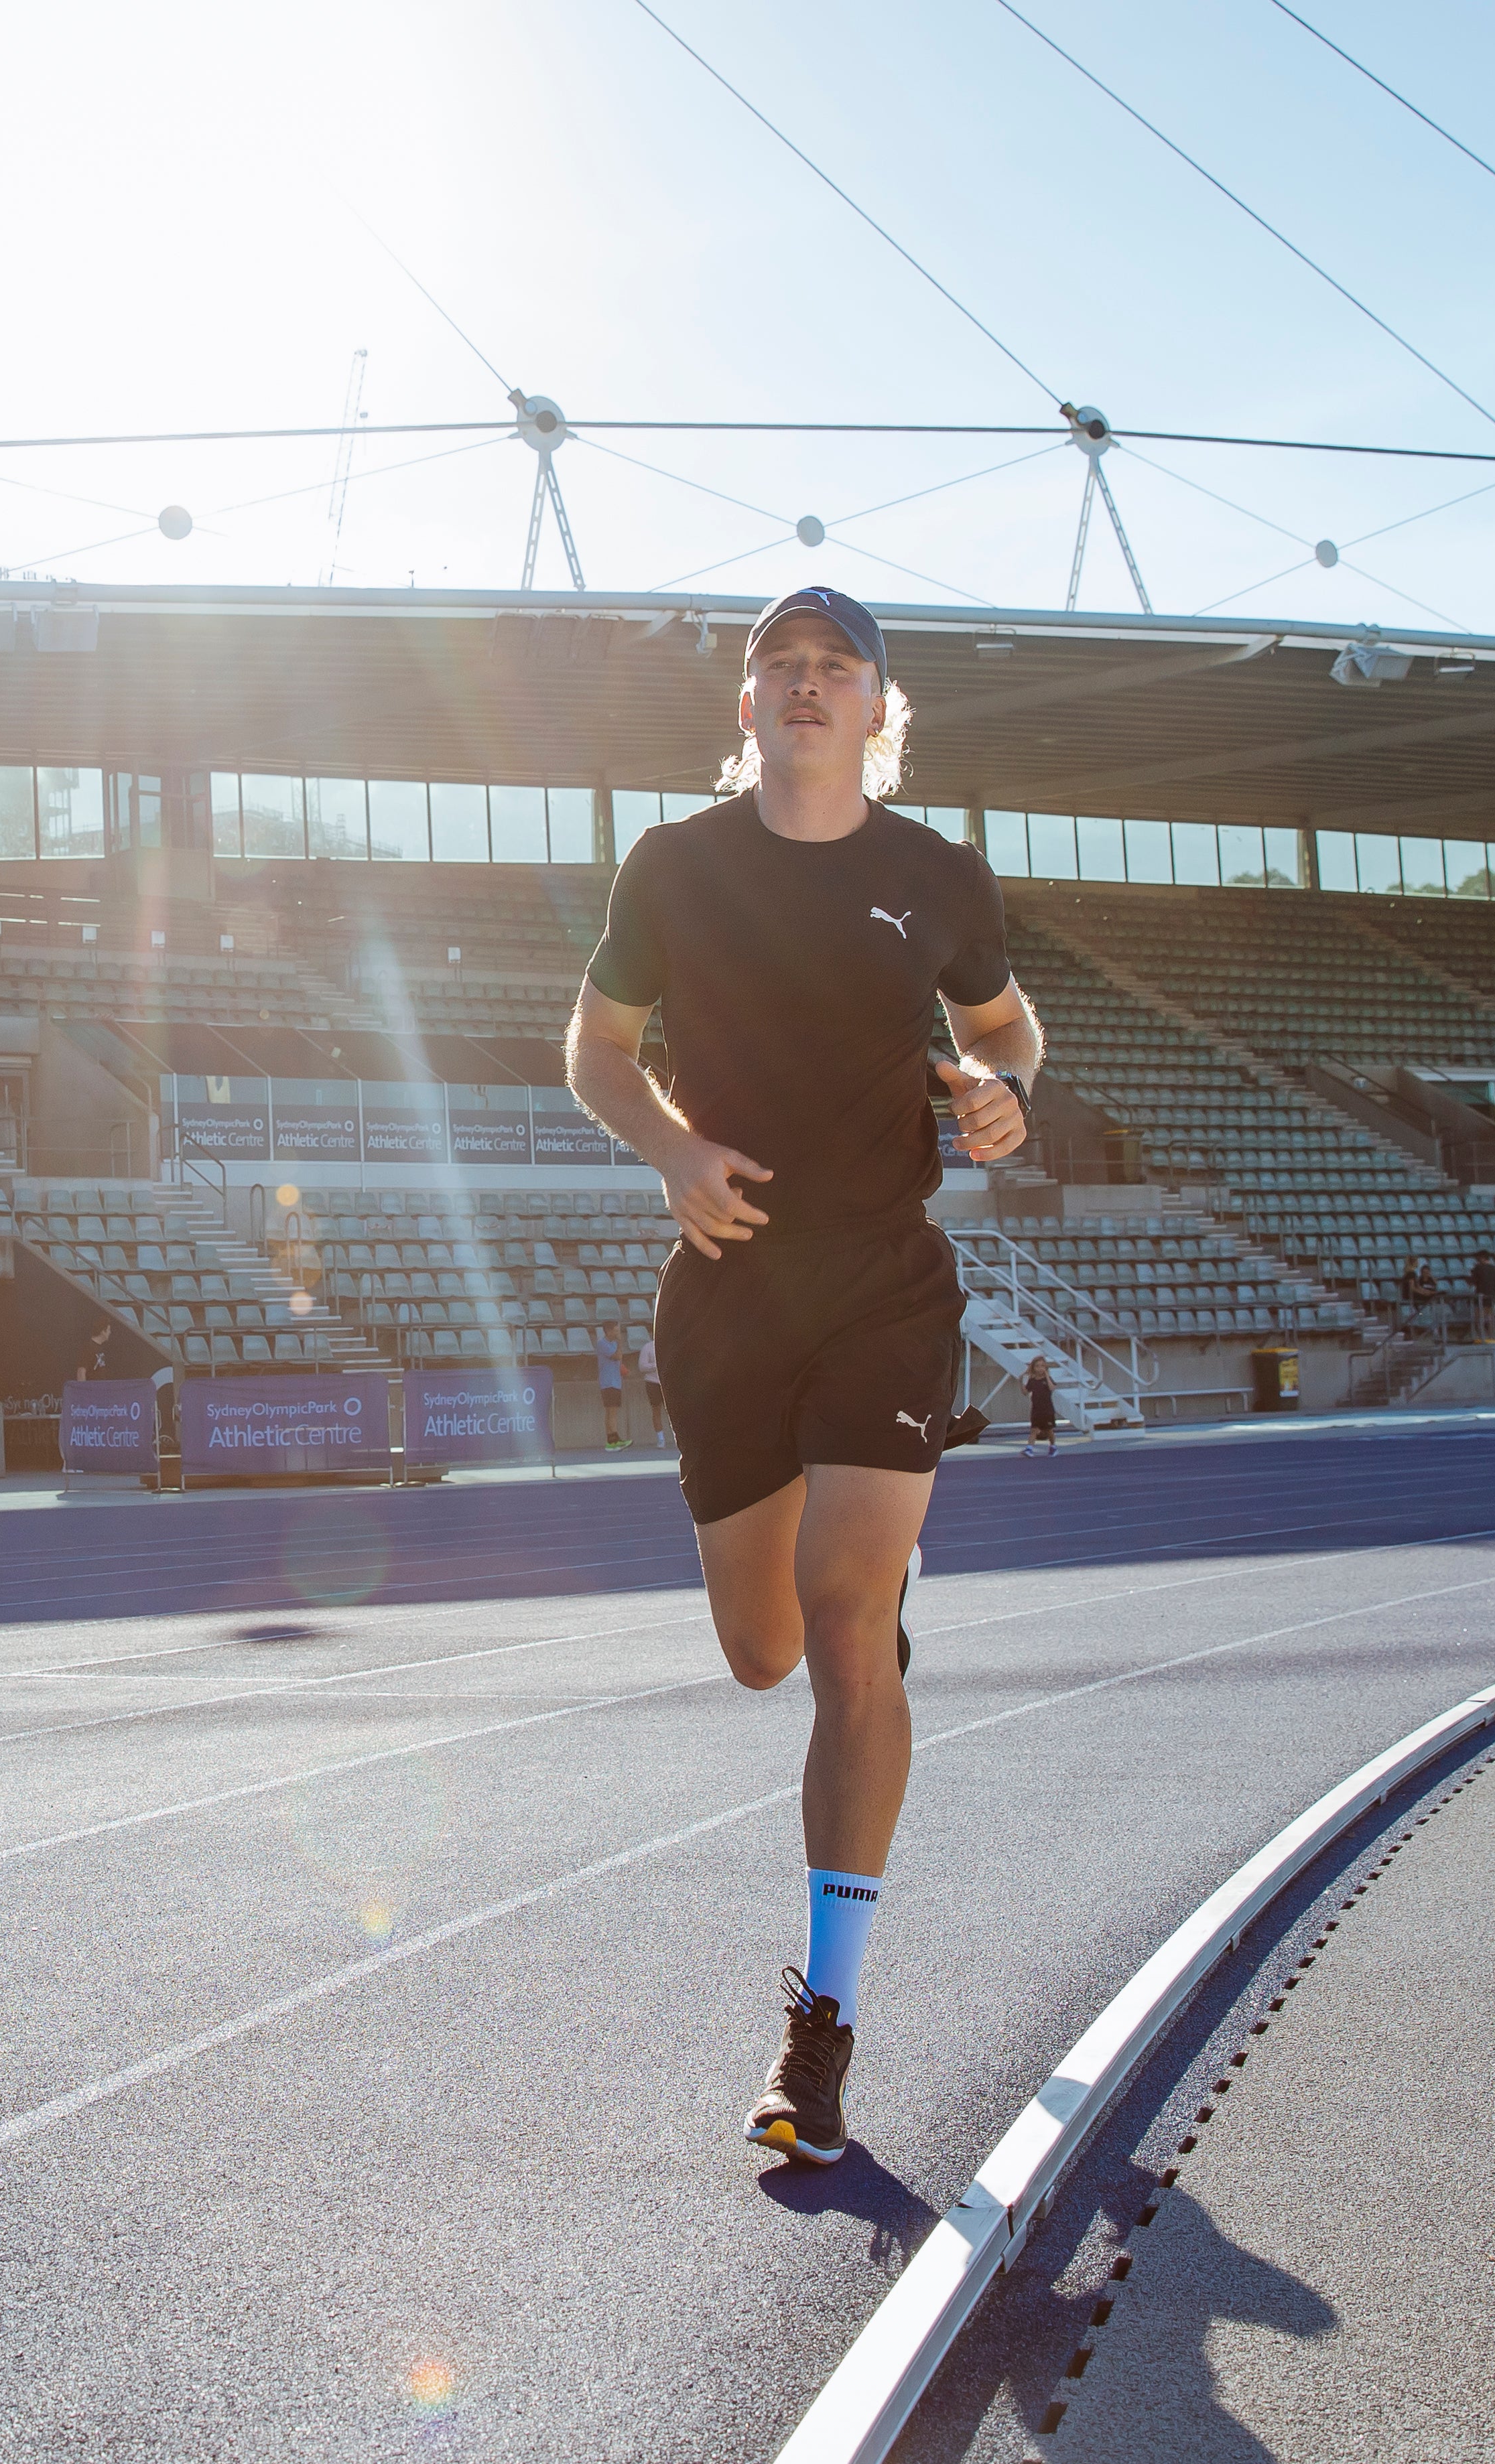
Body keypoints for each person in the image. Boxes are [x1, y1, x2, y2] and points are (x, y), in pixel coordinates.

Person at [566, 584, 1042, 2168]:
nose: (809, 687)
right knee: (762, 1651)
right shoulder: (676, 866)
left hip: (886, 1285)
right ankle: (851, 1591)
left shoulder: (936, 877)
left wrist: (991, 1087)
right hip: (727, 1296)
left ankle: (822, 2030)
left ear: (879, 708)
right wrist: (671, 1145)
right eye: (783, 667)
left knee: (850, 1631)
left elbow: (1009, 1033)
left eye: (839, 668)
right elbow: (594, 1048)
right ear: (752, 704)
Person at [594, 1324, 628, 1448]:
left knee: (611, 1412)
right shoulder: (602, 1344)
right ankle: (614, 1439)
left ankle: (611, 1440)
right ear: (608, 1331)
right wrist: (620, 1342)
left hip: (616, 1381)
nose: (618, 1333)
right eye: (616, 1331)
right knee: (611, 1411)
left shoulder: (613, 1344)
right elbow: (617, 1356)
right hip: (608, 1382)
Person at [637, 1331, 670, 1449]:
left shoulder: (668, 1347)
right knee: (656, 1410)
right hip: (652, 1383)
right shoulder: (648, 1347)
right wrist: (656, 1366)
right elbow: (642, 1366)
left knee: (672, 1411)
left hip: (667, 1383)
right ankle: (661, 1439)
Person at [1025, 1353, 1060, 1455]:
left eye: (1042, 1366)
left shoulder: (1047, 1380)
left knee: (1049, 1430)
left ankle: (1053, 1446)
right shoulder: (1032, 1381)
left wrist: (1047, 1376)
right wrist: (1021, 1381)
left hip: (1047, 1410)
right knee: (1034, 1429)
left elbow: (1052, 1388)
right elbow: (1026, 1391)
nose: (1040, 1368)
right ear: (1034, 1368)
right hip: (1036, 1409)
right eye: (1037, 1366)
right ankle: (1029, 1448)